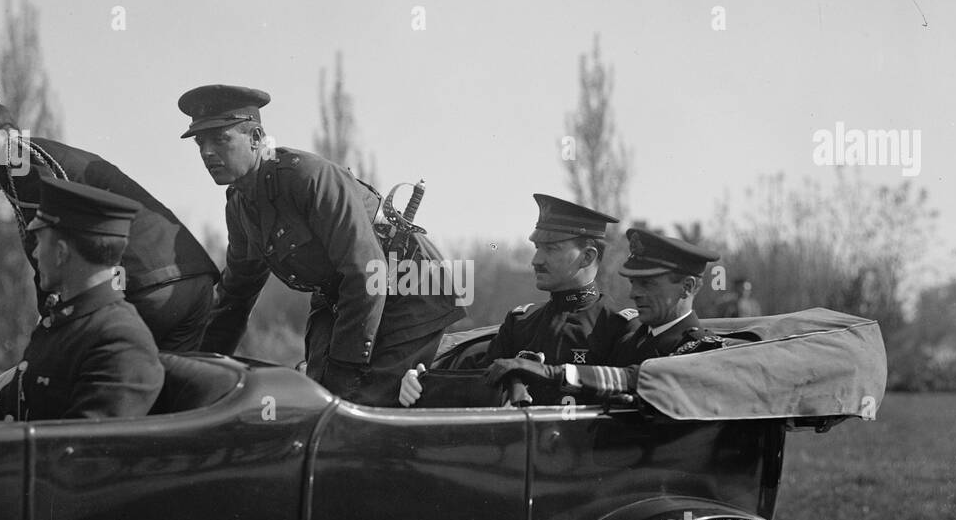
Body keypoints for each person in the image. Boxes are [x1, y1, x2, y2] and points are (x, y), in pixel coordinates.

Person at [179, 83, 463, 406]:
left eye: (220, 139)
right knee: (314, 398)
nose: (206, 152)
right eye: (201, 142)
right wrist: (198, 369)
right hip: (347, 297)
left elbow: (365, 273)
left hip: (409, 289)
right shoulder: (240, 206)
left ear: (257, 138)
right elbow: (236, 296)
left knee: (355, 405)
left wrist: (344, 372)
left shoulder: (307, 179)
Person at [0, 83, 219, 352]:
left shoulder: (19, 164)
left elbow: (56, 255)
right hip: (190, 281)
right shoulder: (34, 155)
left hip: (148, 290)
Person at [0, 178, 164, 421]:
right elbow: (5, 420)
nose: (34, 253)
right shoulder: (66, 326)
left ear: (60, 253)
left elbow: (75, 454)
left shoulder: (119, 339)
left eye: (39, 242)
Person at [399, 194, 640, 406]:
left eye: (551, 249)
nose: (536, 260)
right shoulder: (521, 322)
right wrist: (422, 383)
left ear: (587, 257)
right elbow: (481, 387)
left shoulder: (619, 327)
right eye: (537, 247)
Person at [484, 228, 723, 399]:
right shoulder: (634, 340)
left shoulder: (700, 349)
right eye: (634, 283)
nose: (634, 294)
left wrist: (549, 372)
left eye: (648, 285)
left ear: (688, 287)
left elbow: (633, 378)